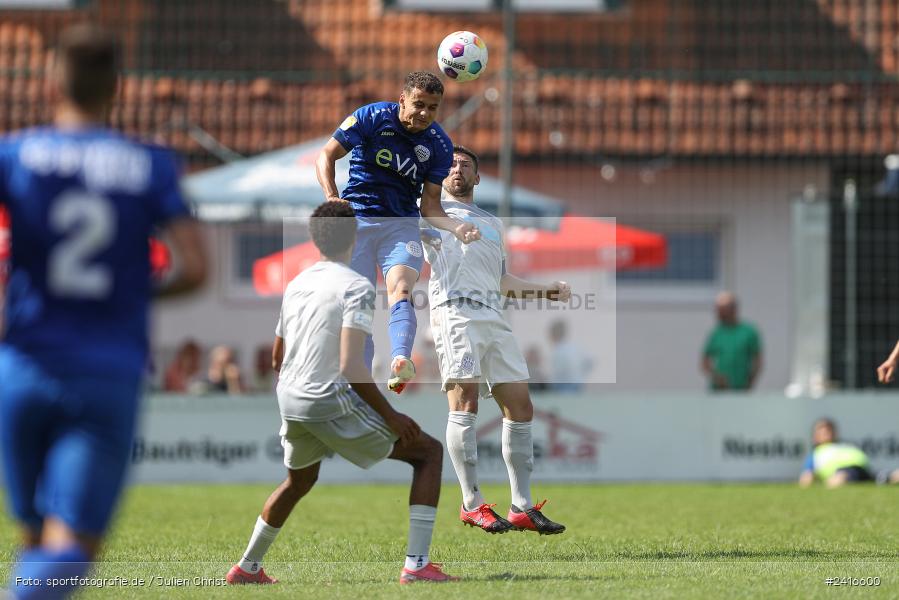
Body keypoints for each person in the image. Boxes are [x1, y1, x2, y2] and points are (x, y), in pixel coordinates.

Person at [0, 24, 207, 600]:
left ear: (49, 87)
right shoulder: (151, 164)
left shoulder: (14, 154)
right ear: (117, 89)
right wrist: (133, 294)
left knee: (37, 541)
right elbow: (195, 268)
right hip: (105, 370)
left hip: (21, 365)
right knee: (69, 554)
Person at [226, 201, 457, 585]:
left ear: (315, 240)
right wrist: (392, 417)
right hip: (326, 396)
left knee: (298, 482)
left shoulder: (297, 282)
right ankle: (417, 566)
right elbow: (352, 366)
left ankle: (246, 568)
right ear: (355, 236)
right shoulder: (356, 286)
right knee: (429, 453)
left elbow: (276, 356)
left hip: (291, 397)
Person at [422, 145, 568, 535]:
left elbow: (501, 281)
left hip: (494, 315)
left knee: (520, 405)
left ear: (477, 177)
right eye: (450, 164)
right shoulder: (431, 213)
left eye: (465, 165)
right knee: (465, 402)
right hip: (454, 311)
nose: (457, 168)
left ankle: (521, 506)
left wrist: (545, 291)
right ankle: (472, 504)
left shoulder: (492, 223)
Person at [315, 71, 480, 394]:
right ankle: (357, 385)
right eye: (419, 104)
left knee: (401, 290)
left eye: (433, 108)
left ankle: (401, 361)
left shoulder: (439, 145)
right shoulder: (372, 116)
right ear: (402, 99)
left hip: (401, 226)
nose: (424, 114)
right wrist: (332, 197)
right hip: (358, 223)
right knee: (357, 306)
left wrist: (455, 226)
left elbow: (430, 207)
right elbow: (327, 155)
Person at [798, 419, 899, 487]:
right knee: (840, 479)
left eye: (829, 431)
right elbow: (807, 475)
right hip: (844, 472)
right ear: (815, 437)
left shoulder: (843, 445)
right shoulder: (815, 454)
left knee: (885, 476)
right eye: (823, 433)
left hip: (858, 469)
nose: (827, 435)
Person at [701, 291, 762, 391]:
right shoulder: (716, 333)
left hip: (741, 389)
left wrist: (750, 382)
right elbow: (705, 362)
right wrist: (717, 377)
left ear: (733, 309)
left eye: (722, 310)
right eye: (717, 310)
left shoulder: (748, 332)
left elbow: (758, 360)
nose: (718, 314)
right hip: (718, 391)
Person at [547, 320, 592, 392]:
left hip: (564, 386)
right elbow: (590, 361)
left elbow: (558, 371)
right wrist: (581, 374)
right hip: (577, 383)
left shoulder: (558, 350)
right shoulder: (575, 347)